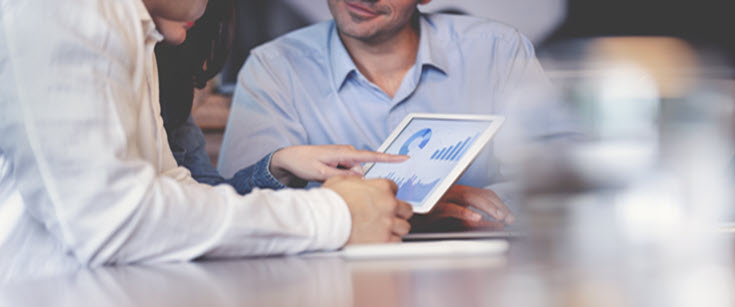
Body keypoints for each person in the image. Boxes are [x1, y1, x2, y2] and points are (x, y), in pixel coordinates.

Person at [0, 0, 412, 279]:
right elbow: (113, 220)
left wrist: (288, 172)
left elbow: (176, 189)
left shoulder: (132, 30)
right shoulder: (69, 12)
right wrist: (333, 215)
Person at [218, 0, 576, 227]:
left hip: (479, 270)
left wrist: (472, 205)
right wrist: (409, 205)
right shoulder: (274, 67)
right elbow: (237, 202)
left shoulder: (498, 50)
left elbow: (559, 179)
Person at [156, 0, 408, 193]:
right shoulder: (274, 65)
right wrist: (339, 212)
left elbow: (207, 199)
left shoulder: (167, 82)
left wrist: (278, 164)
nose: (201, 7)